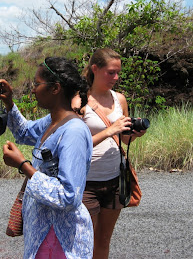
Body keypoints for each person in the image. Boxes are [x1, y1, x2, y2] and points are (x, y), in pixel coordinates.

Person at [0, 57, 93, 259]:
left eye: (37, 84)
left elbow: (69, 197)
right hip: (44, 235)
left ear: (55, 88)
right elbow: (23, 132)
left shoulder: (73, 131)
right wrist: (9, 102)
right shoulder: (52, 122)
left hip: (60, 239)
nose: (33, 90)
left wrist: (24, 165)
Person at [79, 48, 147, 259]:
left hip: (115, 179)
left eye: (118, 73)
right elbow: (75, 146)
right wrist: (110, 130)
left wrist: (135, 134)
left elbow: (123, 138)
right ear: (95, 69)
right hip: (86, 182)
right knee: (84, 240)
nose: (116, 78)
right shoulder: (79, 101)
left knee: (103, 240)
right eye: (110, 72)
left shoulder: (120, 99)